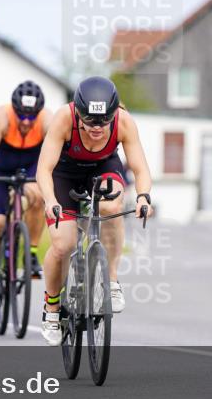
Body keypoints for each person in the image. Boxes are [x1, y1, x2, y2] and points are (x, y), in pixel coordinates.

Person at [36, 76, 153, 345]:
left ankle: (110, 280)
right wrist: (50, 200)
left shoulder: (124, 122)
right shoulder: (63, 119)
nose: (97, 128)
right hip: (64, 174)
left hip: (103, 167)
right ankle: (52, 308)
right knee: (63, 244)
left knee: (111, 206)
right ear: (77, 112)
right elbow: (44, 169)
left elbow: (140, 168)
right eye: (89, 121)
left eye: (103, 121)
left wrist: (144, 197)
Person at [0, 81, 48, 310]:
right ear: (14, 110)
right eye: (21, 116)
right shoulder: (0, 118)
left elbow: (57, 152)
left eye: (31, 117)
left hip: (31, 166)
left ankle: (31, 253)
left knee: (37, 196)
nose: (26, 122)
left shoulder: (48, 121)